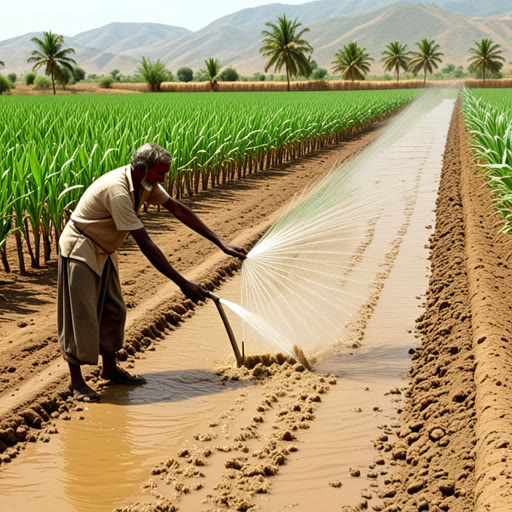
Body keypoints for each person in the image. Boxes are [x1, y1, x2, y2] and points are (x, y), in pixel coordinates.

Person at [58, 142, 247, 402]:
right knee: (81, 315)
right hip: (81, 247)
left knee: (114, 310)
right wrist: (182, 283)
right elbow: (146, 244)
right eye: (160, 174)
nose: (163, 179)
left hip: (106, 248)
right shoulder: (118, 191)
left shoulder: (145, 184)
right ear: (140, 169)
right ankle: (77, 383)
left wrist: (220, 242)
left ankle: (109, 369)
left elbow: (177, 208)